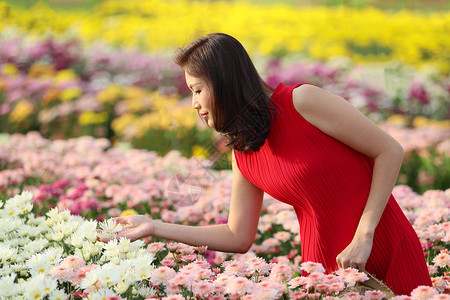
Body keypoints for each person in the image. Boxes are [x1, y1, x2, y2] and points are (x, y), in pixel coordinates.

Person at [107, 33, 432, 295]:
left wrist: (364, 235)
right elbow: (238, 235)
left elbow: (389, 150)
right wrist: (154, 227)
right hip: (324, 271)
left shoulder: (302, 101)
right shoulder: (244, 151)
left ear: (223, 82)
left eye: (197, 90)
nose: (194, 103)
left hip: (382, 247)